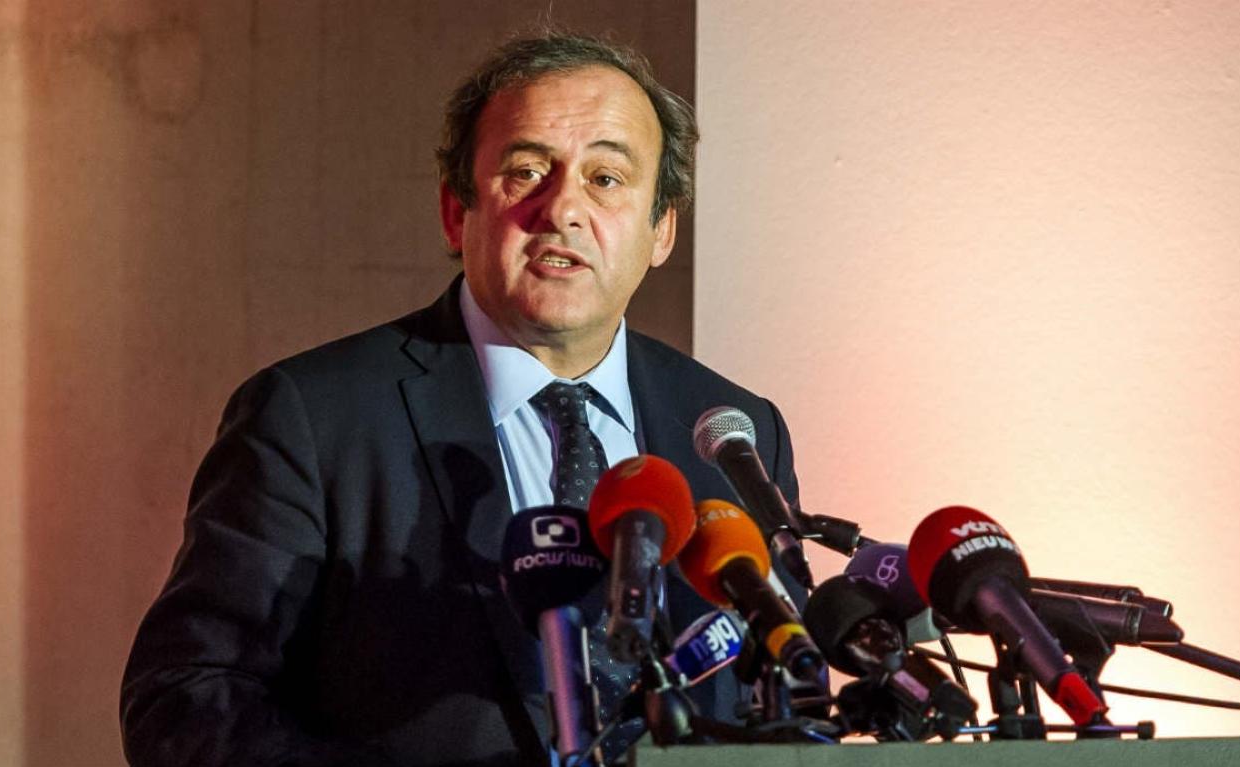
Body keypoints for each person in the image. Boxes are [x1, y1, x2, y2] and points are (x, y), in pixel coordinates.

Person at [121, 31, 802, 767]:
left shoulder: (735, 434)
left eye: (606, 178)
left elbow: (792, 700)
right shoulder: (313, 418)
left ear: (661, 228)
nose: (562, 209)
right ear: (457, 211)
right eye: (527, 171)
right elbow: (185, 698)